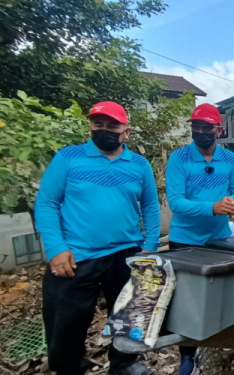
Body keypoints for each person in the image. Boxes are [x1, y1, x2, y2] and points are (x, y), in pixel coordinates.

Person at [36, 101, 160, 375]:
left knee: (129, 314)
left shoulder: (139, 164)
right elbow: (46, 203)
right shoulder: (68, 158)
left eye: (113, 125)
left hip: (128, 254)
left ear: (126, 131)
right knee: (66, 322)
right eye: (98, 124)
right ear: (90, 126)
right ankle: (69, 369)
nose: (105, 130)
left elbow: (150, 206)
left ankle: (124, 363)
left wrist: (149, 246)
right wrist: (55, 248)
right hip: (76, 255)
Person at [165, 103, 234, 375]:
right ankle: (187, 355)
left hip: (220, 236)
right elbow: (175, 202)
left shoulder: (229, 159)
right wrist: (212, 207)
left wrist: (232, 202)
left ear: (218, 130)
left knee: (219, 290)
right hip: (185, 239)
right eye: (195, 126)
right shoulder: (178, 158)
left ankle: (218, 337)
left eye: (206, 127)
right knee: (185, 301)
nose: (200, 131)